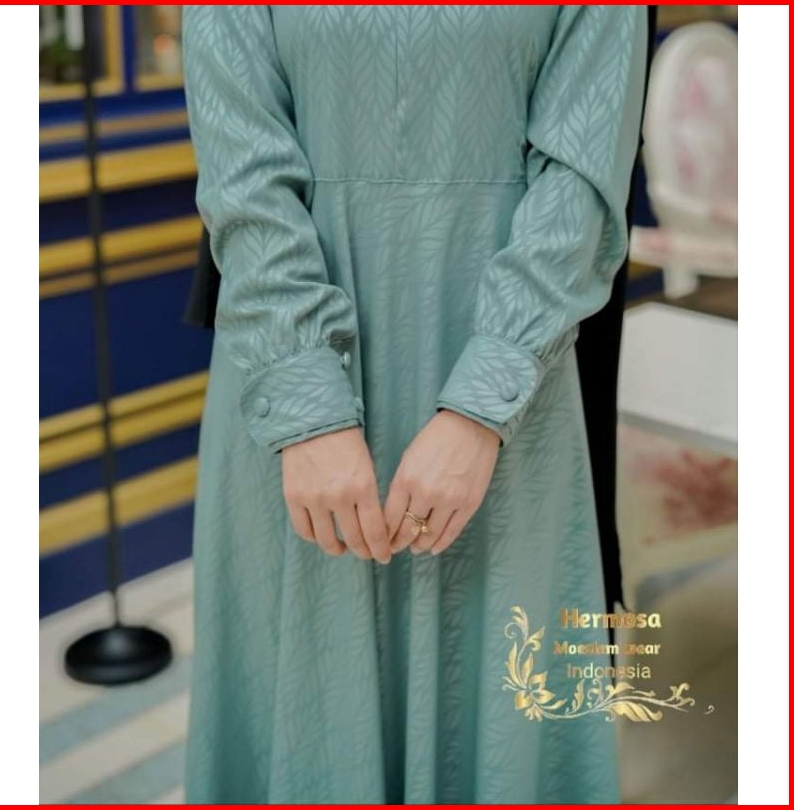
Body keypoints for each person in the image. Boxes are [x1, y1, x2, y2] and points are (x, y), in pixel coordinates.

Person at [181, 6, 647, 804]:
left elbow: (583, 179)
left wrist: (481, 406)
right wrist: (308, 408)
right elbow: (241, 175)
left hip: (514, 374)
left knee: (497, 696)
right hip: (289, 363)